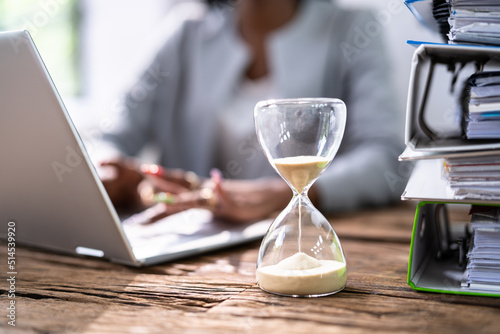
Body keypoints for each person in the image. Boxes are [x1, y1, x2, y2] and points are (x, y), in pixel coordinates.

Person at [99, 0, 405, 223]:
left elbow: (388, 161)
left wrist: (281, 194)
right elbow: (106, 136)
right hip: (179, 244)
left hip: (296, 228)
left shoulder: (353, 29)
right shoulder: (185, 32)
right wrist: (118, 175)